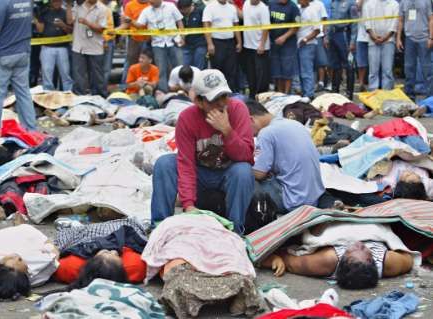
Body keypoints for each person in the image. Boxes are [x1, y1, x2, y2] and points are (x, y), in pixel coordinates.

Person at [151, 69, 255, 234]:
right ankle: (160, 228)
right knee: (164, 164)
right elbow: (186, 164)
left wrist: (227, 131)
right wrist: (188, 205)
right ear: (199, 102)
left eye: (224, 96)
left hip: (227, 174)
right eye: (215, 99)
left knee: (243, 170)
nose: (222, 103)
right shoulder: (187, 118)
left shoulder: (238, 109)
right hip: (201, 175)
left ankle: (236, 231)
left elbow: (247, 157)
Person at [262, 222, 418, 289]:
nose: (358, 243)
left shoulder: (328, 260)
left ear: (343, 257)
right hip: (369, 225)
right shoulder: (389, 262)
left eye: (352, 250)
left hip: (335, 226)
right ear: (372, 260)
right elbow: (407, 255)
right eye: (363, 248)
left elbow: (290, 262)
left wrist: (275, 258)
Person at [246, 100, 336, 214]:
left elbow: (259, 174)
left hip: (293, 202)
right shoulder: (295, 124)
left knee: (241, 176)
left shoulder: (266, 133)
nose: (248, 134)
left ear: (251, 120)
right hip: (314, 198)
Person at [0, 0, 37, 137]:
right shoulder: (27, 2)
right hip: (23, 52)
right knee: (23, 92)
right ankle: (31, 130)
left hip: (2, 54)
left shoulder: (3, 3)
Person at [0, 225, 59, 300]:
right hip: (27, 236)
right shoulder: (35, 271)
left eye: (11, 260)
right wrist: (49, 246)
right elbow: (54, 253)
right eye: (20, 260)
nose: (16, 256)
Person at [135, 0, 185, 92]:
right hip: (157, 44)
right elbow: (139, 25)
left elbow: (179, 21)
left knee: (179, 68)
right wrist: (130, 21)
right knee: (161, 70)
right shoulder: (146, 11)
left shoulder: (171, 6)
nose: (150, 2)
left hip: (174, 41)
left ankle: (182, 90)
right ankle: (164, 92)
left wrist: (182, 37)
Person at [67, 0, 108, 97]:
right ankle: (79, 98)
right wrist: (68, 4)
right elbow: (69, 21)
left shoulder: (102, 8)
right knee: (78, 76)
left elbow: (101, 29)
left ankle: (100, 98)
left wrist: (87, 23)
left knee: (97, 77)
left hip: (95, 48)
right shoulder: (78, 5)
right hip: (79, 47)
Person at [397, 0, 433, 100]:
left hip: (424, 38)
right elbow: (400, 20)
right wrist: (398, 38)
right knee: (409, 69)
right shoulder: (403, 2)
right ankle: (410, 98)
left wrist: (431, 37)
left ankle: (430, 98)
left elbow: (431, 19)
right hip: (409, 39)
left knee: (428, 70)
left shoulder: (426, 1)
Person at [33, 0, 73, 91]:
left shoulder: (64, 12)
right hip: (47, 48)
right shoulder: (44, 12)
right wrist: (36, 18)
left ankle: (68, 94)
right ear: (51, 2)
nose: (57, 3)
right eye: (55, 1)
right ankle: (48, 96)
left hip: (62, 47)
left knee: (66, 75)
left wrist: (63, 25)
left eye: (58, 1)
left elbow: (70, 31)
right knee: (47, 76)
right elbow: (40, 30)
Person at [203, 0, 242, 92]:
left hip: (230, 43)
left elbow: (236, 25)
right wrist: (210, 43)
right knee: (217, 71)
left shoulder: (232, 8)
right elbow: (206, 25)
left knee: (231, 70)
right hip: (216, 43)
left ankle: (230, 93)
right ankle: (217, 93)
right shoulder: (210, 7)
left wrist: (239, 42)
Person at [363, 0, 399, 91]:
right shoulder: (368, 4)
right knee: (373, 71)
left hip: (389, 41)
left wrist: (385, 38)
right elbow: (367, 23)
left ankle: (387, 94)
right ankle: (373, 94)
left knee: (387, 70)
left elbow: (394, 24)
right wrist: (374, 37)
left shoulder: (394, 4)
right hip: (373, 41)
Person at [327, 0, 357, 98]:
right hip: (333, 34)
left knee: (348, 64)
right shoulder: (333, 2)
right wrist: (327, 36)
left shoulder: (351, 3)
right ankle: (335, 92)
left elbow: (354, 23)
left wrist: (352, 41)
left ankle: (349, 94)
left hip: (344, 35)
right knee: (335, 64)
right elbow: (331, 19)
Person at [269, 0, 300, 94]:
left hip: (288, 44)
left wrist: (284, 37)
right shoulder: (271, 4)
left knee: (287, 71)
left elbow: (297, 26)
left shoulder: (293, 7)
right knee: (276, 71)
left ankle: (286, 94)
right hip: (274, 43)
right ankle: (279, 93)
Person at [116, 0, 149, 86]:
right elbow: (126, 24)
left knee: (148, 64)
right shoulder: (130, 5)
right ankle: (125, 86)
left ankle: (147, 88)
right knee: (130, 64)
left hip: (150, 40)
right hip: (134, 39)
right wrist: (115, 31)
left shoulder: (152, 4)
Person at [242, 0, 270, 98]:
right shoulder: (246, 4)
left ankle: (261, 96)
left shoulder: (263, 8)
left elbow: (266, 28)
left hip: (260, 47)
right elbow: (243, 16)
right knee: (250, 74)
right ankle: (252, 96)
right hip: (248, 46)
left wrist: (262, 44)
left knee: (261, 76)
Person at [297, 0, 321, 100]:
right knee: (301, 71)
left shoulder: (312, 10)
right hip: (298, 44)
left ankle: (309, 94)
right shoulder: (298, 9)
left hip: (308, 44)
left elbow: (317, 30)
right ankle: (304, 92)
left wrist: (306, 39)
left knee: (307, 70)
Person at [177, 0, 208, 70]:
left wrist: (209, 44)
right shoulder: (180, 15)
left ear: (190, 6)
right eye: (181, 9)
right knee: (185, 68)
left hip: (200, 45)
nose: (183, 11)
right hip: (186, 46)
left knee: (198, 68)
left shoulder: (200, 12)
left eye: (184, 9)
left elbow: (206, 28)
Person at [310, 0, 329, 92]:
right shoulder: (300, 3)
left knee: (321, 61)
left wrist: (325, 36)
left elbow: (324, 20)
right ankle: (312, 83)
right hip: (306, 37)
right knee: (310, 62)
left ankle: (321, 82)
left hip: (319, 36)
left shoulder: (319, 4)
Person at [355, 0, 368, 92]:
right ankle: (361, 82)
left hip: (375, 34)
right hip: (362, 35)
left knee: (374, 61)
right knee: (361, 62)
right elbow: (356, 9)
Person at [102, 0, 115, 89]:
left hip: (110, 41)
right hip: (101, 42)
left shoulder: (108, 7)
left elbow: (110, 26)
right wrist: (104, 41)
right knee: (102, 68)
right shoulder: (97, 7)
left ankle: (103, 89)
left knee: (107, 69)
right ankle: (98, 89)